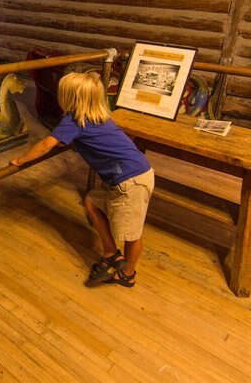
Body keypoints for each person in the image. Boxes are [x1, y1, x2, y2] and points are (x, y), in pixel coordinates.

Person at [9, 72, 155, 288]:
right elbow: (68, 139)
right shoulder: (99, 116)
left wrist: (20, 160)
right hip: (134, 175)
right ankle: (110, 252)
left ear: (70, 98)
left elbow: (45, 145)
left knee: (131, 234)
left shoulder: (74, 120)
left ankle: (127, 274)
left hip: (130, 182)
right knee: (91, 202)